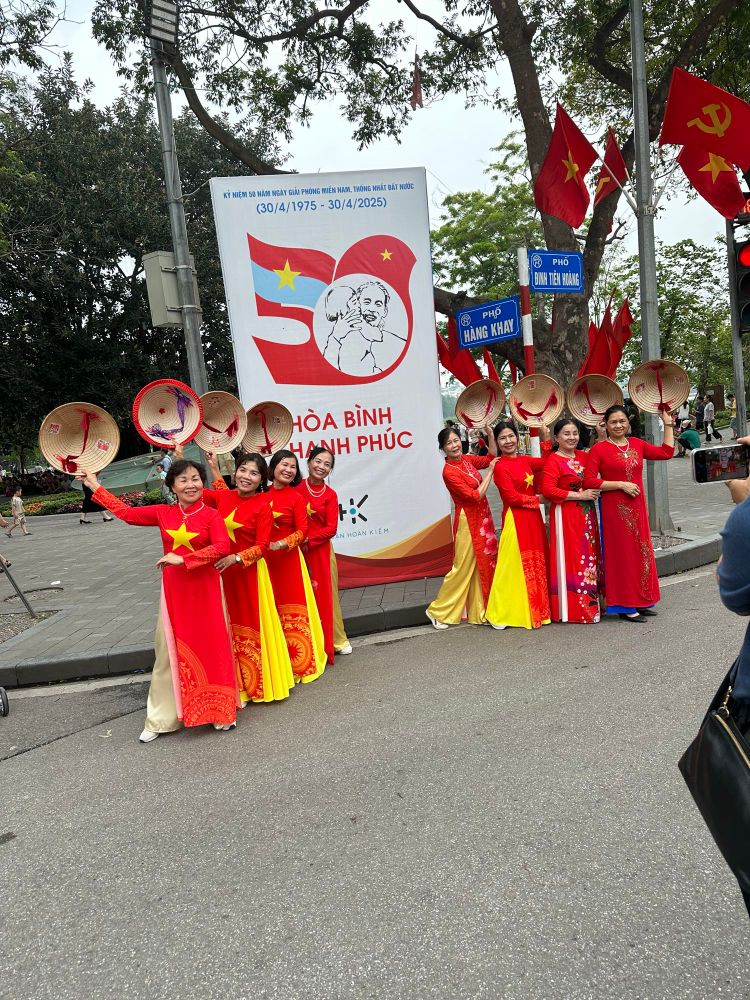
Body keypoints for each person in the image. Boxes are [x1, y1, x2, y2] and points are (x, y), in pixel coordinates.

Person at [78, 460, 239, 742]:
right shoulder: (164, 513)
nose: (191, 485)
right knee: (168, 654)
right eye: (183, 481)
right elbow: (127, 514)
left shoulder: (212, 515)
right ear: (172, 487)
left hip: (207, 590)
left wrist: (184, 558)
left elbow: (222, 547)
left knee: (212, 646)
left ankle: (217, 712)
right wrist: (94, 485)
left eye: (195, 479)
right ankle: (161, 719)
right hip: (175, 593)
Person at [203, 450, 295, 704]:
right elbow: (191, 487)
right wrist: (181, 457)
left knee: (250, 626)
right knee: (226, 627)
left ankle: (256, 683)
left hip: (249, 573)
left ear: (261, 479)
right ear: (235, 471)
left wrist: (236, 558)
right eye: (243, 470)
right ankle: (233, 684)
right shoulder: (224, 497)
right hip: (221, 574)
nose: (246, 476)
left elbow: (263, 545)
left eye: (254, 473)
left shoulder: (263, 505)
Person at [583, 404, 674, 621]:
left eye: (622, 421)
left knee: (641, 552)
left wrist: (668, 424)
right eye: (613, 422)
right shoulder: (599, 449)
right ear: (605, 424)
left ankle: (642, 600)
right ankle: (625, 605)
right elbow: (588, 480)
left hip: (637, 508)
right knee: (621, 555)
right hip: (614, 510)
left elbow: (666, 452)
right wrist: (620, 484)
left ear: (628, 423)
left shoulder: (637, 444)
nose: (618, 425)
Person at [426, 426, 498, 629]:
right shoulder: (449, 472)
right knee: (462, 567)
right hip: (468, 520)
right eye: (449, 443)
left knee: (481, 565)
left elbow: (490, 456)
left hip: (482, 517)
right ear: (443, 448)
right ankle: (438, 611)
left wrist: (490, 435)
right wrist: (491, 471)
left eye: (456, 440)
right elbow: (475, 496)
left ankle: (479, 611)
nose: (454, 445)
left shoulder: (466, 460)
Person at [264, 449, 326, 684]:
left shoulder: (296, 498)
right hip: (264, 562)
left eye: (292, 466)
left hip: (289, 560)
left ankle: (300, 662)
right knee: (272, 609)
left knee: (293, 609)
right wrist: (216, 469)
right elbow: (230, 500)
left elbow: (302, 532)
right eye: (284, 465)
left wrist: (282, 543)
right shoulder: (260, 494)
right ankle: (278, 663)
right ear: (274, 467)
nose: (288, 470)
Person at [484, 421, 551, 631]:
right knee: (511, 566)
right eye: (502, 438)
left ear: (517, 437)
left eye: (511, 436)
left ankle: (534, 610)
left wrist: (545, 436)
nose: (508, 441)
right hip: (515, 519)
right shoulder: (500, 467)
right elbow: (511, 498)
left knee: (534, 563)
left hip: (532, 518)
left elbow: (550, 465)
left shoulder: (525, 460)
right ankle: (499, 612)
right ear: (497, 441)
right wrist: (539, 500)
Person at [541, 419, 603, 624]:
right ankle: (575, 610)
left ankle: (593, 605)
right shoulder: (553, 460)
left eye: (575, 433)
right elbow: (548, 490)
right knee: (574, 556)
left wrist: (601, 433)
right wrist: (579, 496)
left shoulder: (585, 457)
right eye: (566, 434)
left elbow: (602, 460)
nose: (572, 437)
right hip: (565, 514)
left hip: (587, 515)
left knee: (589, 555)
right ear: (556, 438)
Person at [295, 446, 350, 664]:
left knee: (327, 596)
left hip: (321, 552)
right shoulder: (296, 489)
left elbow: (331, 528)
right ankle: (308, 642)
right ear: (308, 463)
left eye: (327, 464)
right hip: (296, 552)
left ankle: (336, 639)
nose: (321, 467)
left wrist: (307, 538)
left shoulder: (330, 495)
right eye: (318, 461)